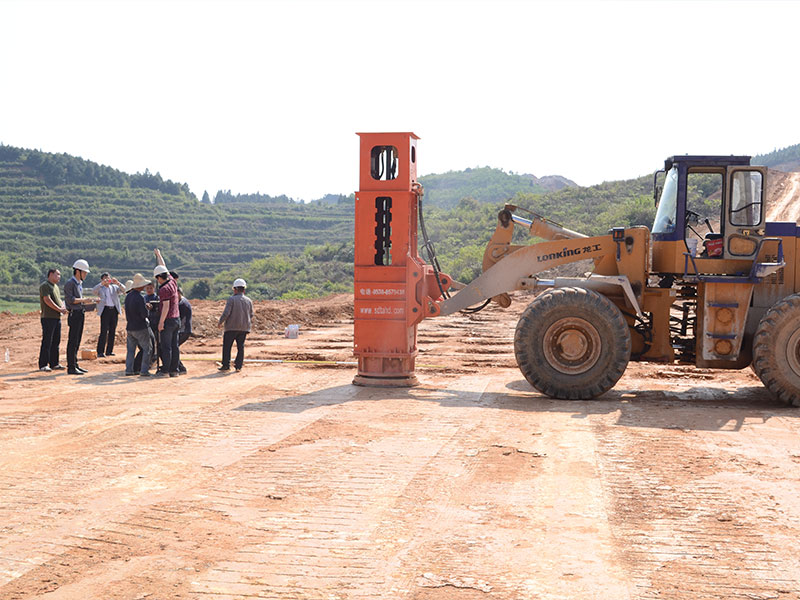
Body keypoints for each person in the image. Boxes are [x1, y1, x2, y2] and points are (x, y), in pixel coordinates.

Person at [64, 259, 98, 375]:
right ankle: (71, 366)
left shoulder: (79, 284)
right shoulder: (70, 283)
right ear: (78, 271)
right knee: (73, 341)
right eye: (84, 272)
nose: (86, 274)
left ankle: (75, 364)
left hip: (80, 313)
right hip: (74, 314)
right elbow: (70, 300)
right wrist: (84, 300)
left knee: (77, 341)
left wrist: (90, 301)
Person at [153, 249, 181, 377]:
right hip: (176, 319)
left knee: (166, 347)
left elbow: (165, 306)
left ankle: (165, 370)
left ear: (159, 277)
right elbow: (164, 267)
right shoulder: (173, 282)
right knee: (175, 346)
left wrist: (161, 322)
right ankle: (174, 370)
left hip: (168, 319)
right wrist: (159, 256)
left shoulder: (164, 289)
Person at [218, 278, 254, 372]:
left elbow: (226, 313)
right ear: (244, 290)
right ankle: (238, 366)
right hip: (244, 328)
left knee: (227, 346)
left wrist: (220, 322)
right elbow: (251, 314)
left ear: (235, 289)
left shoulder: (231, 299)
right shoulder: (249, 301)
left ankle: (226, 365)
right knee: (240, 347)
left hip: (231, 327)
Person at [124, 273, 154, 377]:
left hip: (130, 327)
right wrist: (148, 309)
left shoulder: (128, 297)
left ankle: (129, 370)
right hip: (140, 327)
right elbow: (144, 314)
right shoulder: (140, 298)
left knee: (131, 350)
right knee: (147, 348)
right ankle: (144, 370)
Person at [38, 268, 68, 372]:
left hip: (56, 317)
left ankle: (54, 363)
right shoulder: (45, 286)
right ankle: (43, 364)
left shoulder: (55, 287)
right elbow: (47, 300)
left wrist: (62, 308)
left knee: (56, 341)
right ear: (51, 274)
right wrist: (59, 309)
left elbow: (58, 300)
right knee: (47, 341)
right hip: (48, 317)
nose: (59, 277)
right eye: (57, 274)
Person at [92, 272, 126, 357]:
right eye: (105, 279)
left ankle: (109, 351)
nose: (107, 280)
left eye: (108, 278)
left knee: (112, 331)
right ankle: (100, 351)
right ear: (102, 280)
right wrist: (101, 284)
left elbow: (124, 290)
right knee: (103, 331)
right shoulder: (100, 288)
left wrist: (117, 282)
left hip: (114, 310)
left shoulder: (114, 287)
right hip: (105, 310)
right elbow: (94, 291)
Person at [144, 281, 160, 370]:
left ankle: (156, 358)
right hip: (148, 323)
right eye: (147, 288)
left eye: (151, 288)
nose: (149, 290)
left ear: (154, 288)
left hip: (156, 322)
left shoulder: (157, 298)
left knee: (158, 342)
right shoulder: (144, 298)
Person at [176, 287, 192, 374]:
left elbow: (179, 319)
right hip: (184, 330)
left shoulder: (182, 304)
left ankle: (180, 368)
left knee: (172, 347)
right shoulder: (182, 302)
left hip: (183, 330)